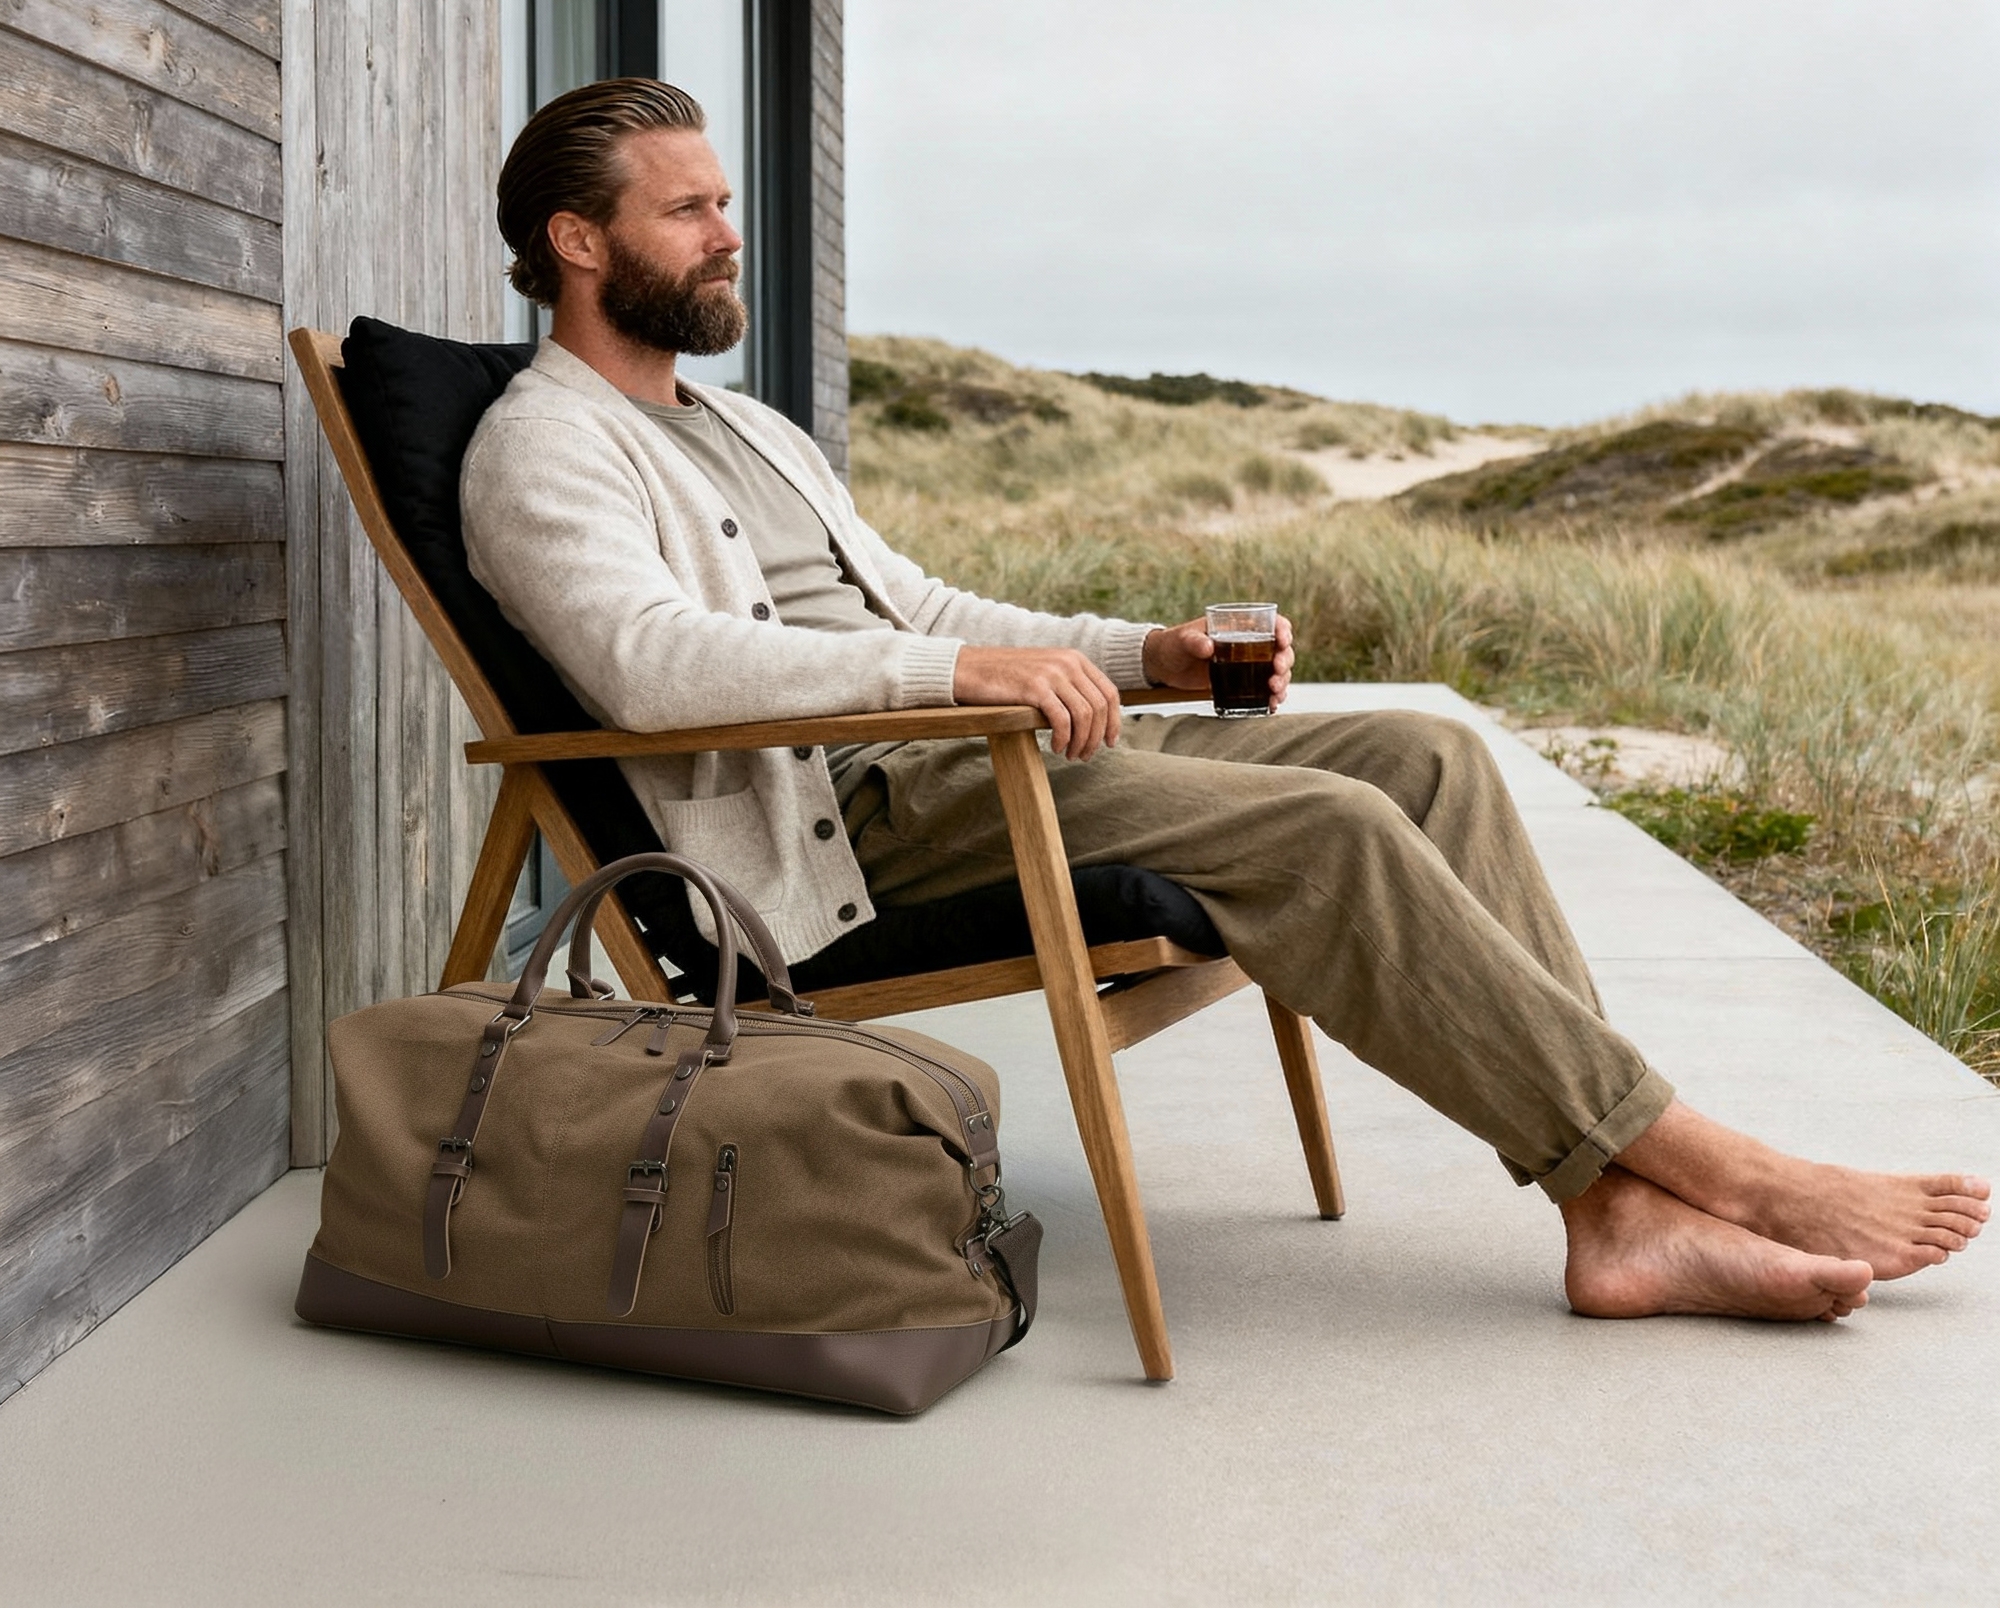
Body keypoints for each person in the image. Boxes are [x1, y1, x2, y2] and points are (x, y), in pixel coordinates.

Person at [461, 78, 1988, 1324]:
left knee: (1427, 756)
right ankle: (1680, 1177)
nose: (729, 233)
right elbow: (654, 670)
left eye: (725, 200)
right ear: (579, 242)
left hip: (952, 753)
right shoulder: (543, 451)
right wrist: (956, 681)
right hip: (848, 831)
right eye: (690, 210)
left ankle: (1625, 1198)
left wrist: (1147, 656)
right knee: (1326, 832)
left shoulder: (744, 427)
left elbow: (919, 611)